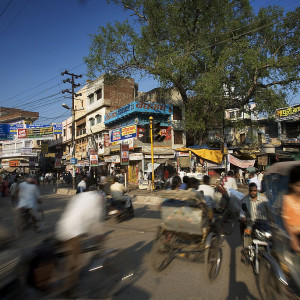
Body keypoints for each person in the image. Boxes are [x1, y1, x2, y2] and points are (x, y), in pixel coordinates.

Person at [55, 190, 106, 293]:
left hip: (62, 227)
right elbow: (94, 222)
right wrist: (99, 235)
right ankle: (68, 289)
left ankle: (58, 269)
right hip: (74, 233)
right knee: (75, 262)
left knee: (59, 254)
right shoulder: (97, 202)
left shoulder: (81, 196)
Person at [282, 166, 300, 252]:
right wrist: (293, 238)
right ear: (291, 185)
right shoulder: (287, 199)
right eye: (298, 185)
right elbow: (286, 220)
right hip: (294, 236)